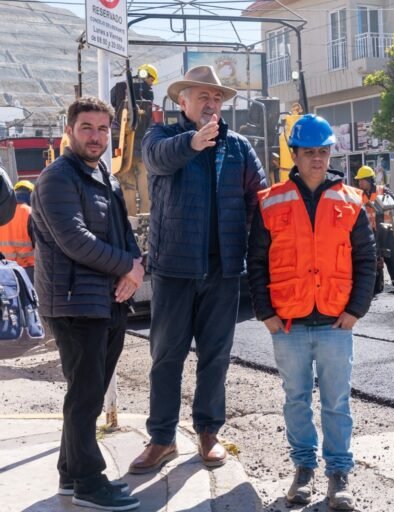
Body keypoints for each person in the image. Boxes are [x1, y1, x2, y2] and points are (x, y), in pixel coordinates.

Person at [129, 65, 267, 474]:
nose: (211, 104)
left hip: (223, 270)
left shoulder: (239, 147)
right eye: (202, 96)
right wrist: (194, 141)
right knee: (166, 356)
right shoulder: (163, 138)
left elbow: (258, 201)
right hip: (174, 269)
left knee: (216, 356)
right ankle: (162, 438)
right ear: (182, 101)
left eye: (217, 98)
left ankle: (208, 432)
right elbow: (157, 160)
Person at [247, 114, 376, 510]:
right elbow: (256, 262)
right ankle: (303, 470)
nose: (317, 159)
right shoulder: (270, 202)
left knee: (337, 402)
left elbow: (367, 259)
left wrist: (357, 309)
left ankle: (338, 474)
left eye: (323, 151)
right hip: (288, 324)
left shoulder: (351, 201)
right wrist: (266, 313)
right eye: (309, 152)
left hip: (337, 322)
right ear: (296, 155)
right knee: (296, 399)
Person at [30, 96, 143, 511]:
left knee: (88, 393)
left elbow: (122, 232)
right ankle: (90, 482)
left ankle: (68, 473)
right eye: (86, 128)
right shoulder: (57, 179)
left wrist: (136, 266)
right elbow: (75, 240)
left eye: (102, 129)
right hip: (74, 303)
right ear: (70, 131)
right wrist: (127, 269)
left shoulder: (104, 177)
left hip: (105, 302)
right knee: (85, 396)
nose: (95, 137)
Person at [354, 165, 394, 293]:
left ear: (370, 180)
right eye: (358, 180)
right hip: (371, 230)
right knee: (374, 257)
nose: (359, 183)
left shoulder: (383, 190)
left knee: (391, 255)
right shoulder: (358, 194)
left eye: (362, 180)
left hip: (386, 228)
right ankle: (376, 286)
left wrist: (379, 202)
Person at [0, 180, 36, 281]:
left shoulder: (2, 212)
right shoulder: (30, 213)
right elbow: (39, 244)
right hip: (27, 270)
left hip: (4, 269)